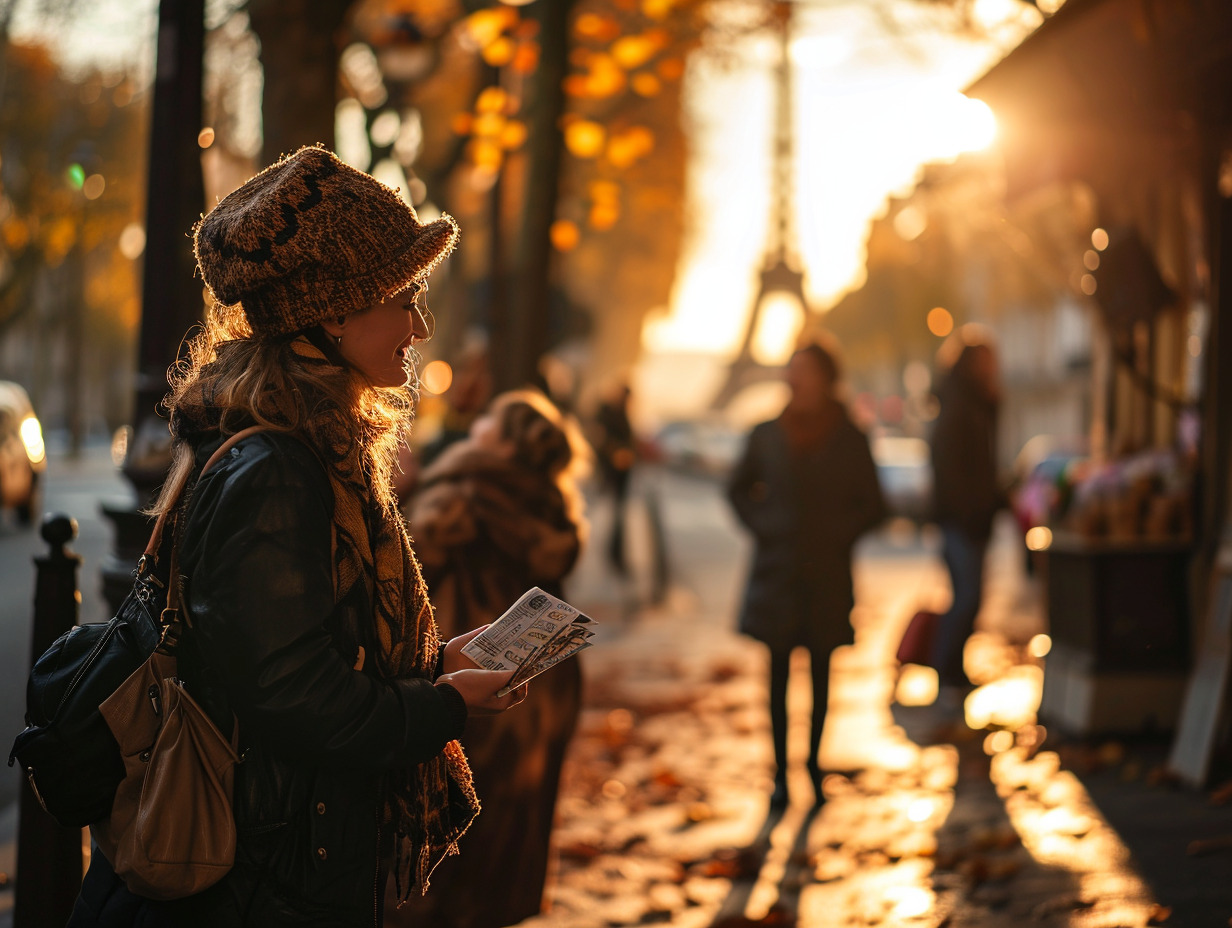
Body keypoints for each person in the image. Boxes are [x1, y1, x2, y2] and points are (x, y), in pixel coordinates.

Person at [69, 145, 526, 928]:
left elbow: (301, 657)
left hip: (277, 860)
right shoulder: (279, 471)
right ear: (335, 314)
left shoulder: (299, 449)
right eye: (404, 295)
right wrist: (442, 706)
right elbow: (296, 701)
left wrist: (430, 666)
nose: (419, 325)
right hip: (258, 879)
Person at [391, 388, 588, 928]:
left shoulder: (460, 491)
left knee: (458, 813)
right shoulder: (551, 504)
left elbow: (407, 568)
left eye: (488, 422)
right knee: (519, 816)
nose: (475, 426)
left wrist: (400, 491)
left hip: (473, 670)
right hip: (546, 675)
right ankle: (504, 910)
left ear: (502, 444)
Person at [727, 341, 885, 809]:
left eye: (806, 370)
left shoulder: (851, 437)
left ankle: (813, 769)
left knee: (821, 676)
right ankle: (779, 775)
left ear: (826, 378)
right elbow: (737, 490)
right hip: (777, 572)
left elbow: (874, 505)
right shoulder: (765, 434)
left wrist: (838, 534)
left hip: (827, 575)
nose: (796, 379)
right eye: (792, 370)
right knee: (775, 679)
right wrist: (766, 527)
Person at [928, 326, 1003, 702]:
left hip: (969, 518)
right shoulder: (960, 407)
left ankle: (952, 670)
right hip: (963, 520)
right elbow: (954, 470)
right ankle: (946, 670)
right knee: (966, 597)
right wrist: (972, 510)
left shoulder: (973, 405)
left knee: (968, 597)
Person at [593, 381, 636, 575]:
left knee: (617, 518)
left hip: (621, 475)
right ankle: (613, 555)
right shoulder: (606, 412)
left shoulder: (621, 412)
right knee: (610, 516)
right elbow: (599, 439)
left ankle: (616, 555)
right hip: (610, 472)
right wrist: (615, 453)